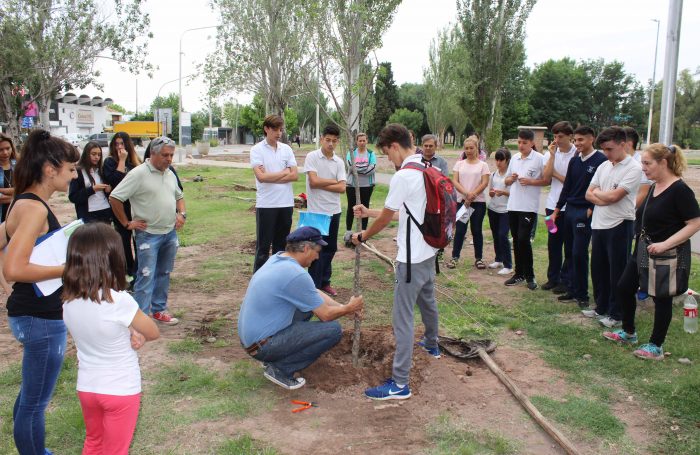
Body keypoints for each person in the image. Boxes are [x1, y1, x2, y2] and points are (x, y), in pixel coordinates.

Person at [351, 123, 441, 401]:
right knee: (428, 301)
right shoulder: (428, 169)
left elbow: (388, 217)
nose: (389, 160)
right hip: (429, 252)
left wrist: (362, 234)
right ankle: (432, 344)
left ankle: (400, 383)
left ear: (394, 146)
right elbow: (405, 212)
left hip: (411, 258)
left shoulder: (404, 176)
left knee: (401, 319)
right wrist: (369, 210)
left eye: (387, 154)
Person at [3, 130, 79, 454]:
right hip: (40, 318)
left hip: (31, 313)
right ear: (50, 169)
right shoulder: (33, 208)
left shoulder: (22, 202)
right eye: (70, 169)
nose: (74, 174)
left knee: (30, 398)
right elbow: (14, 269)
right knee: (35, 403)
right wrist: (65, 270)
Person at [62, 223, 160, 455]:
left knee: (94, 443)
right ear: (113, 259)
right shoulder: (119, 301)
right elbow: (152, 331)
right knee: (115, 451)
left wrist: (130, 333)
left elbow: (100, 330)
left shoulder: (67, 303)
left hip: (87, 387)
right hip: (120, 389)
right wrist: (138, 334)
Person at [603, 144, 700, 360]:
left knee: (661, 298)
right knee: (624, 287)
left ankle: (656, 346)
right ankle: (629, 332)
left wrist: (665, 244)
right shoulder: (655, 186)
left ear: (663, 163)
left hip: (667, 254)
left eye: (647, 163)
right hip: (644, 249)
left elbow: (694, 223)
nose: (643, 168)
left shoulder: (680, 190)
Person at [238, 226, 363, 390]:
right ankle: (281, 369)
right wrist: (348, 309)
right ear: (305, 248)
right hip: (262, 346)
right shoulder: (296, 274)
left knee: (307, 307)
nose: (317, 257)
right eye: (317, 251)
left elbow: (313, 292)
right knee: (333, 330)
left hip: (252, 340)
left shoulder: (278, 258)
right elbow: (325, 315)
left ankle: (273, 357)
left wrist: (343, 307)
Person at [110, 136, 186, 325]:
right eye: (165, 155)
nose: (169, 159)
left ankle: (159, 310)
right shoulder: (138, 174)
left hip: (169, 233)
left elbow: (179, 196)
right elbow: (115, 198)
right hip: (148, 235)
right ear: (152, 153)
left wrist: (182, 214)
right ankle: (141, 319)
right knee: (145, 276)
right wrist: (127, 223)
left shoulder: (169, 173)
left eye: (171, 155)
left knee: (164, 273)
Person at [583, 126, 641, 328]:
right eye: (604, 150)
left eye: (609, 149)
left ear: (623, 144)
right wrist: (602, 197)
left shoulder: (633, 168)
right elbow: (588, 193)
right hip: (599, 223)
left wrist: (601, 195)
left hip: (619, 224)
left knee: (617, 271)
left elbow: (616, 197)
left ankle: (617, 313)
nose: (606, 154)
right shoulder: (604, 166)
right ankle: (601, 306)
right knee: (598, 268)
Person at [550, 126, 606, 308]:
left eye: (581, 140)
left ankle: (582, 295)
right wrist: (558, 208)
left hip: (585, 211)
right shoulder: (574, 161)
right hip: (569, 210)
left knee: (579, 253)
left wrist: (591, 207)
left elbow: (601, 187)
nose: (578, 143)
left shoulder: (601, 161)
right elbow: (567, 187)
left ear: (592, 139)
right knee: (569, 252)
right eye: (576, 140)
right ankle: (572, 289)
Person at [250, 114, 298, 273]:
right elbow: (261, 177)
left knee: (281, 246)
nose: (279, 133)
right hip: (267, 204)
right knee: (263, 247)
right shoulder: (257, 150)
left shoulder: (287, 149)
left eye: (280, 129)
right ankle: (259, 280)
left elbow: (295, 175)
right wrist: (285, 172)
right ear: (266, 129)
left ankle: (278, 278)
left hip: (286, 204)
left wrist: (271, 176)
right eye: (275, 129)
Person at [304, 124, 346, 296]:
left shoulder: (339, 162)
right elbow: (313, 183)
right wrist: (333, 182)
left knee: (330, 249)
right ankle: (312, 286)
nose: (330, 144)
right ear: (321, 139)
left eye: (334, 141)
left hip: (334, 211)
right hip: (316, 212)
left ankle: (325, 282)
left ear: (338, 142)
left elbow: (342, 188)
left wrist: (326, 183)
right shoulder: (312, 157)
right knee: (315, 249)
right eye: (327, 140)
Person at [503, 129, 547, 290]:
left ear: (532, 143)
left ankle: (530, 275)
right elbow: (506, 181)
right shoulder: (514, 158)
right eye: (519, 142)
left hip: (528, 206)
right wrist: (511, 179)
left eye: (524, 143)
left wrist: (530, 182)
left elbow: (547, 180)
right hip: (513, 205)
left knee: (523, 239)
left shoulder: (540, 159)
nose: (521, 145)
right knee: (515, 239)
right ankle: (518, 273)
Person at [541, 121, 576, 293]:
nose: (557, 140)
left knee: (568, 245)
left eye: (560, 136)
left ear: (570, 136)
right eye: (555, 136)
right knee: (552, 243)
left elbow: (572, 183)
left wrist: (557, 174)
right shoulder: (549, 155)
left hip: (569, 207)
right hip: (550, 207)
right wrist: (552, 156)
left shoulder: (577, 154)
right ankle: (552, 278)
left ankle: (566, 278)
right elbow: (546, 179)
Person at [447, 136, 490, 270]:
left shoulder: (483, 165)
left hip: (478, 203)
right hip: (462, 203)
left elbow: (484, 182)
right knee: (460, 230)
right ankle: (455, 257)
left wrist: (472, 195)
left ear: (477, 148)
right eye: (466, 148)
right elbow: (455, 181)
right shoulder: (459, 164)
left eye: (471, 148)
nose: (469, 151)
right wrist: (466, 194)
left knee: (476, 230)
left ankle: (479, 258)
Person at [103, 132, 141, 279]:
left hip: (135, 205)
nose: (119, 147)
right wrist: (122, 161)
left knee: (138, 237)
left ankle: (138, 268)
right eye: (116, 144)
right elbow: (116, 182)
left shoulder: (135, 161)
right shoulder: (110, 162)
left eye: (122, 144)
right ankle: (128, 270)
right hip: (119, 206)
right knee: (123, 239)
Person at [68, 141, 113, 223]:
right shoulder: (78, 172)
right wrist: (92, 189)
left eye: (99, 155)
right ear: (86, 154)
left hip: (105, 211)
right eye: (93, 154)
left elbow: (109, 193)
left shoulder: (102, 170)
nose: (97, 157)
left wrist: (108, 190)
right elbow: (73, 197)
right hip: (88, 215)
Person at [344, 132, 376, 239]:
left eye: (364, 140)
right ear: (356, 142)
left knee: (365, 208)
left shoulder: (371, 154)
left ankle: (363, 233)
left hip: (367, 186)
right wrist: (362, 168)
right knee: (351, 207)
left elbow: (372, 168)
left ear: (367, 141)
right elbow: (350, 166)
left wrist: (357, 169)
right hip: (352, 186)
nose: (362, 142)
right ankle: (348, 232)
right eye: (360, 140)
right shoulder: (351, 153)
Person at [487, 148, 513, 275]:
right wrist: (492, 193)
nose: (498, 162)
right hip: (493, 209)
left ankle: (508, 265)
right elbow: (490, 193)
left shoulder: (511, 175)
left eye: (501, 160)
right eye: (496, 159)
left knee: (503, 235)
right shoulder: (493, 174)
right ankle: (499, 259)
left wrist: (503, 192)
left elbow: (514, 194)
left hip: (506, 210)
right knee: (496, 235)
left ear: (507, 160)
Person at [623, 127, 652, 208]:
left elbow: (643, 193)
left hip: (630, 214)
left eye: (620, 143)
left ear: (629, 144)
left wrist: (626, 213)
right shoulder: (619, 162)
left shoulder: (641, 164)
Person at [0, 132, 18, 222]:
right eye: (1, 150)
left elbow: (28, 189)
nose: (5, 153)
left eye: (8, 148)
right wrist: (17, 195)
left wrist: (2, 190)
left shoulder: (19, 165)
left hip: (18, 215)